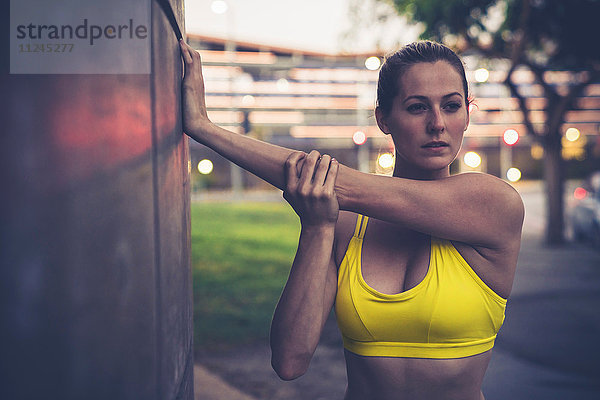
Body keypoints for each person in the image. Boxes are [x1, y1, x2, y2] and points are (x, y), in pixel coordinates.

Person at [179, 39, 524, 400]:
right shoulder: (347, 224)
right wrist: (316, 228)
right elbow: (289, 362)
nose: (437, 123)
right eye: (417, 107)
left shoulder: (494, 205)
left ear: (467, 115)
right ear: (384, 120)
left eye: (451, 106)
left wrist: (204, 128)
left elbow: (334, 182)